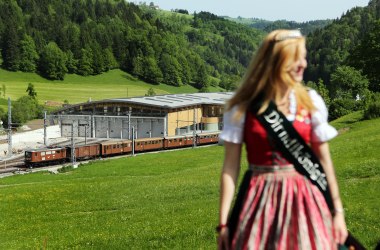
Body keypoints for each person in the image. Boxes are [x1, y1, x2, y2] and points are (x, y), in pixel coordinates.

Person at [217, 29, 348, 249]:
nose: (304, 64)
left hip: (305, 198)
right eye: (296, 58)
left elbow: (324, 161)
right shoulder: (243, 107)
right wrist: (223, 222)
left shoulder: (310, 102)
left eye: (304, 57)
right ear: (276, 62)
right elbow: (230, 167)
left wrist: (338, 212)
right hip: (259, 199)